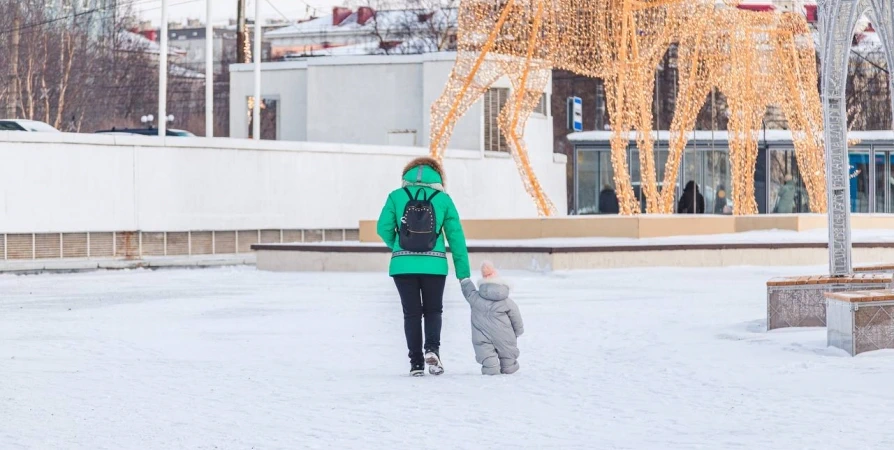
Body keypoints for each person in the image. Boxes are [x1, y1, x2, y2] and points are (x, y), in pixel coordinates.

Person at [376, 156, 470, 377]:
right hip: (435, 266)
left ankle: (416, 364)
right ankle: (432, 350)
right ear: (438, 176)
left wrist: (397, 246)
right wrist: (463, 273)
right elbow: (456, 237)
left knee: (411, 314)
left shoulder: (396, 196)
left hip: (402, 266)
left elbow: (382, 227)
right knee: (433, 310)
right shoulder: (444, 199)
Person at [460, 261, 524, 375]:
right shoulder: (507, 301)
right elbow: (516, 317)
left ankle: (491, 369)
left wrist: (464, 279)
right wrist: (518, 331)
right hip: (505, 335)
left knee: (487, 358)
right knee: (508, 357)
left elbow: (468, 290)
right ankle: (509, 368)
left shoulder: (475, 298)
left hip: (482, 335)